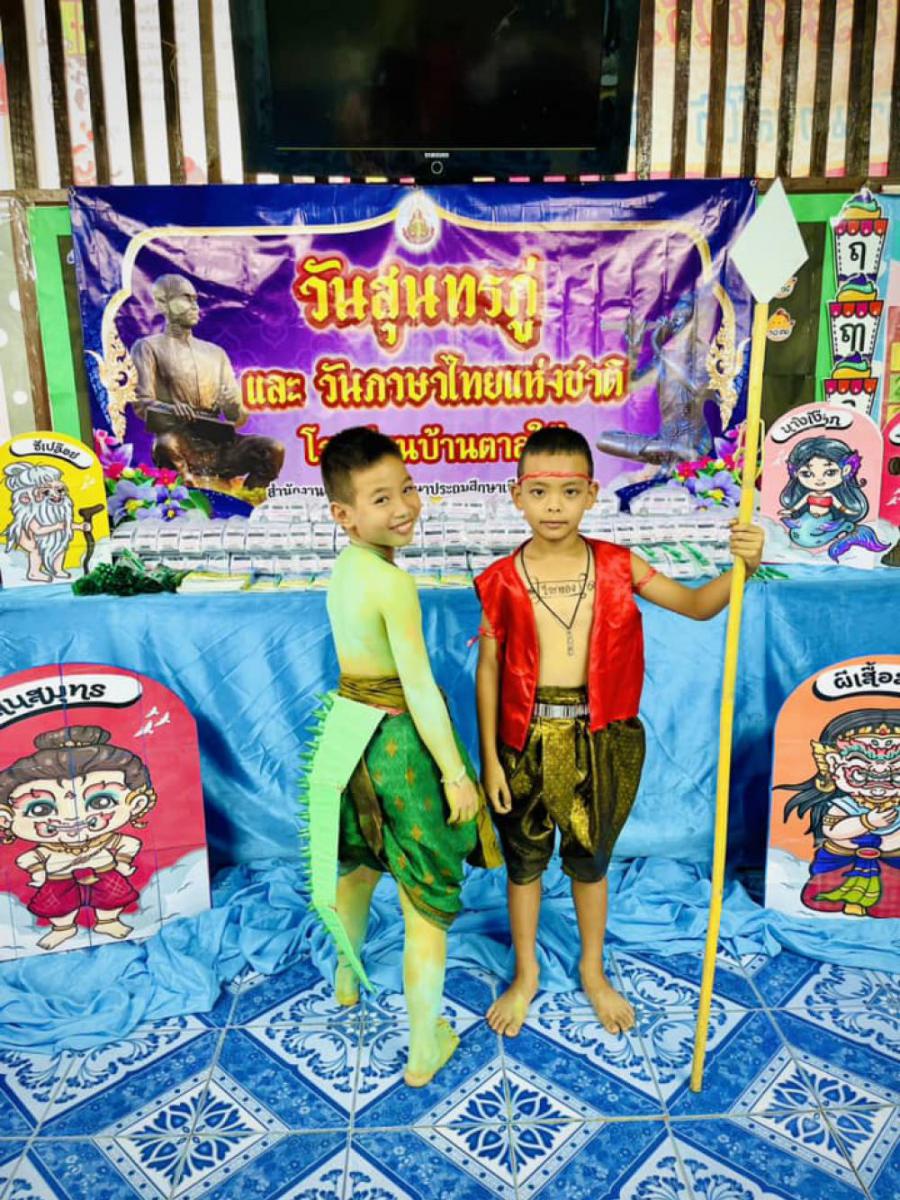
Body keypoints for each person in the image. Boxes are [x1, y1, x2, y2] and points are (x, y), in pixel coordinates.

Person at [475, 425, 764, 1037]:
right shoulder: (501, 579)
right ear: (517, 495)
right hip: (524, 740)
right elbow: (490, 669)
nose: (555, 506)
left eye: (570, 491)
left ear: (592, 494)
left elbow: (698, 606)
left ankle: (592, 968)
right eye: (540, 491)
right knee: (524, 863)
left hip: (601, 738)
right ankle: (525, 973)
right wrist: (492, 762)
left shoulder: (618, 565)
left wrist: (744, 565)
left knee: (591, 861)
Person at [310, 426, 500, 1087]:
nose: (404, 508)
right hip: (395, 747)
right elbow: (417, 686)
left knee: (358, 868)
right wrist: (455, 774)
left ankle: (346, 977)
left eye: (408, 490)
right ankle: (424, 1047)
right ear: (344, 514)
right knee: (423, 902)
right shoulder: (393, 583)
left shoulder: (346, 569)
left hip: (347, 734)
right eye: (382, 498)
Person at [0, 726, 156, 950]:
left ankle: (108, 922)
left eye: (100, 801)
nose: (72, 818)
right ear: (6, 818)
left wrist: (122, 861)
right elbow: (28, 859)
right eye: (41, 808)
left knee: (112, 899)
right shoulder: (48, 849)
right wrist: (38, 872)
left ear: (136, 804)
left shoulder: (105, 840)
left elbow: (129, 844)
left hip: (104, 871)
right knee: (57, 907)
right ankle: (63, 928)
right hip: (58, 878)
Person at [131, 274, 285, 491]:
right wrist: (172, 410)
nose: (195, 306)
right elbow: (141, 404)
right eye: (186, 298)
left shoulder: (215, 353)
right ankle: (188, 494)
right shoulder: (148, 347)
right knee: (165, 444)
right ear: (162, 303)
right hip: (180, 440)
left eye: (195, 299)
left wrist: (234, 405)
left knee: (272, 449)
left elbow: (238, 418)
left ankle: (247, 497)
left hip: (219, 445)